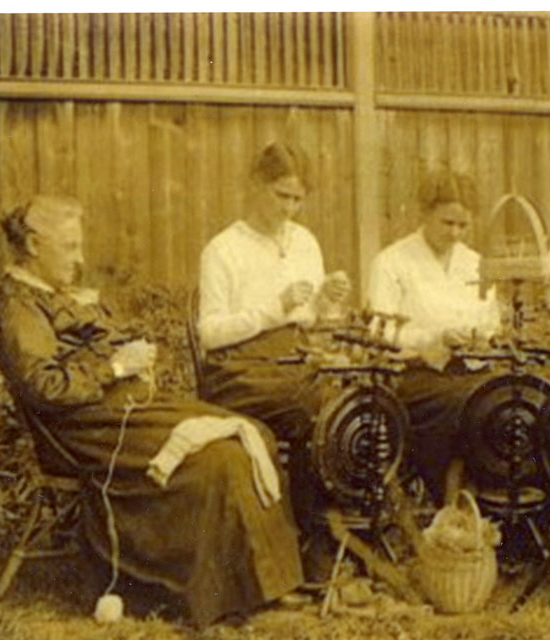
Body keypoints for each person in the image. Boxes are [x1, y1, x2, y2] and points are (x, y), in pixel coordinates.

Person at [0, 195, 304, 628]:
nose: (80, 259)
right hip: (84, 428)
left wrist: (129, 351)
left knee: (250, 431)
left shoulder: (54, 293)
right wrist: (117, 366)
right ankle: (221, 592)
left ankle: (270, 583)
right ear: (33, 245)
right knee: (218, 458)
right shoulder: (20, 305)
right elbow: (45, 386)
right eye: (70, 247)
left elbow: (87, 346)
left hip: (117, 408)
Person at [198, 141, 351, 448]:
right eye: (281, 195)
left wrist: (326, 299)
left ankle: (336, 495)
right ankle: (311, 494)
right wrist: (275, 308)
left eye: (298, 199)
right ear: (256, 184)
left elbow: (310, 320)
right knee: (328, 406)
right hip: (239, 372)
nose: (289, 208)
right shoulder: (224, 249)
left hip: (295, 365)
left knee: (360, 398)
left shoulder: (305, 241)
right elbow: (209, 334)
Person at [367, 168, 501, 504]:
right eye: (447, 223)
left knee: (510, 398)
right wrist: (433, 337)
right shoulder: (392, 262)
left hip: (470, 369)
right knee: (466, 405)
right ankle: (447, 502)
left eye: (463, 225)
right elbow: (379, 331)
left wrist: (477, 337)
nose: (455, 233)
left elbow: (491, 322)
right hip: (415, 375)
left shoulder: (475, 264)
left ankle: (493, 503)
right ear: (424, 213)